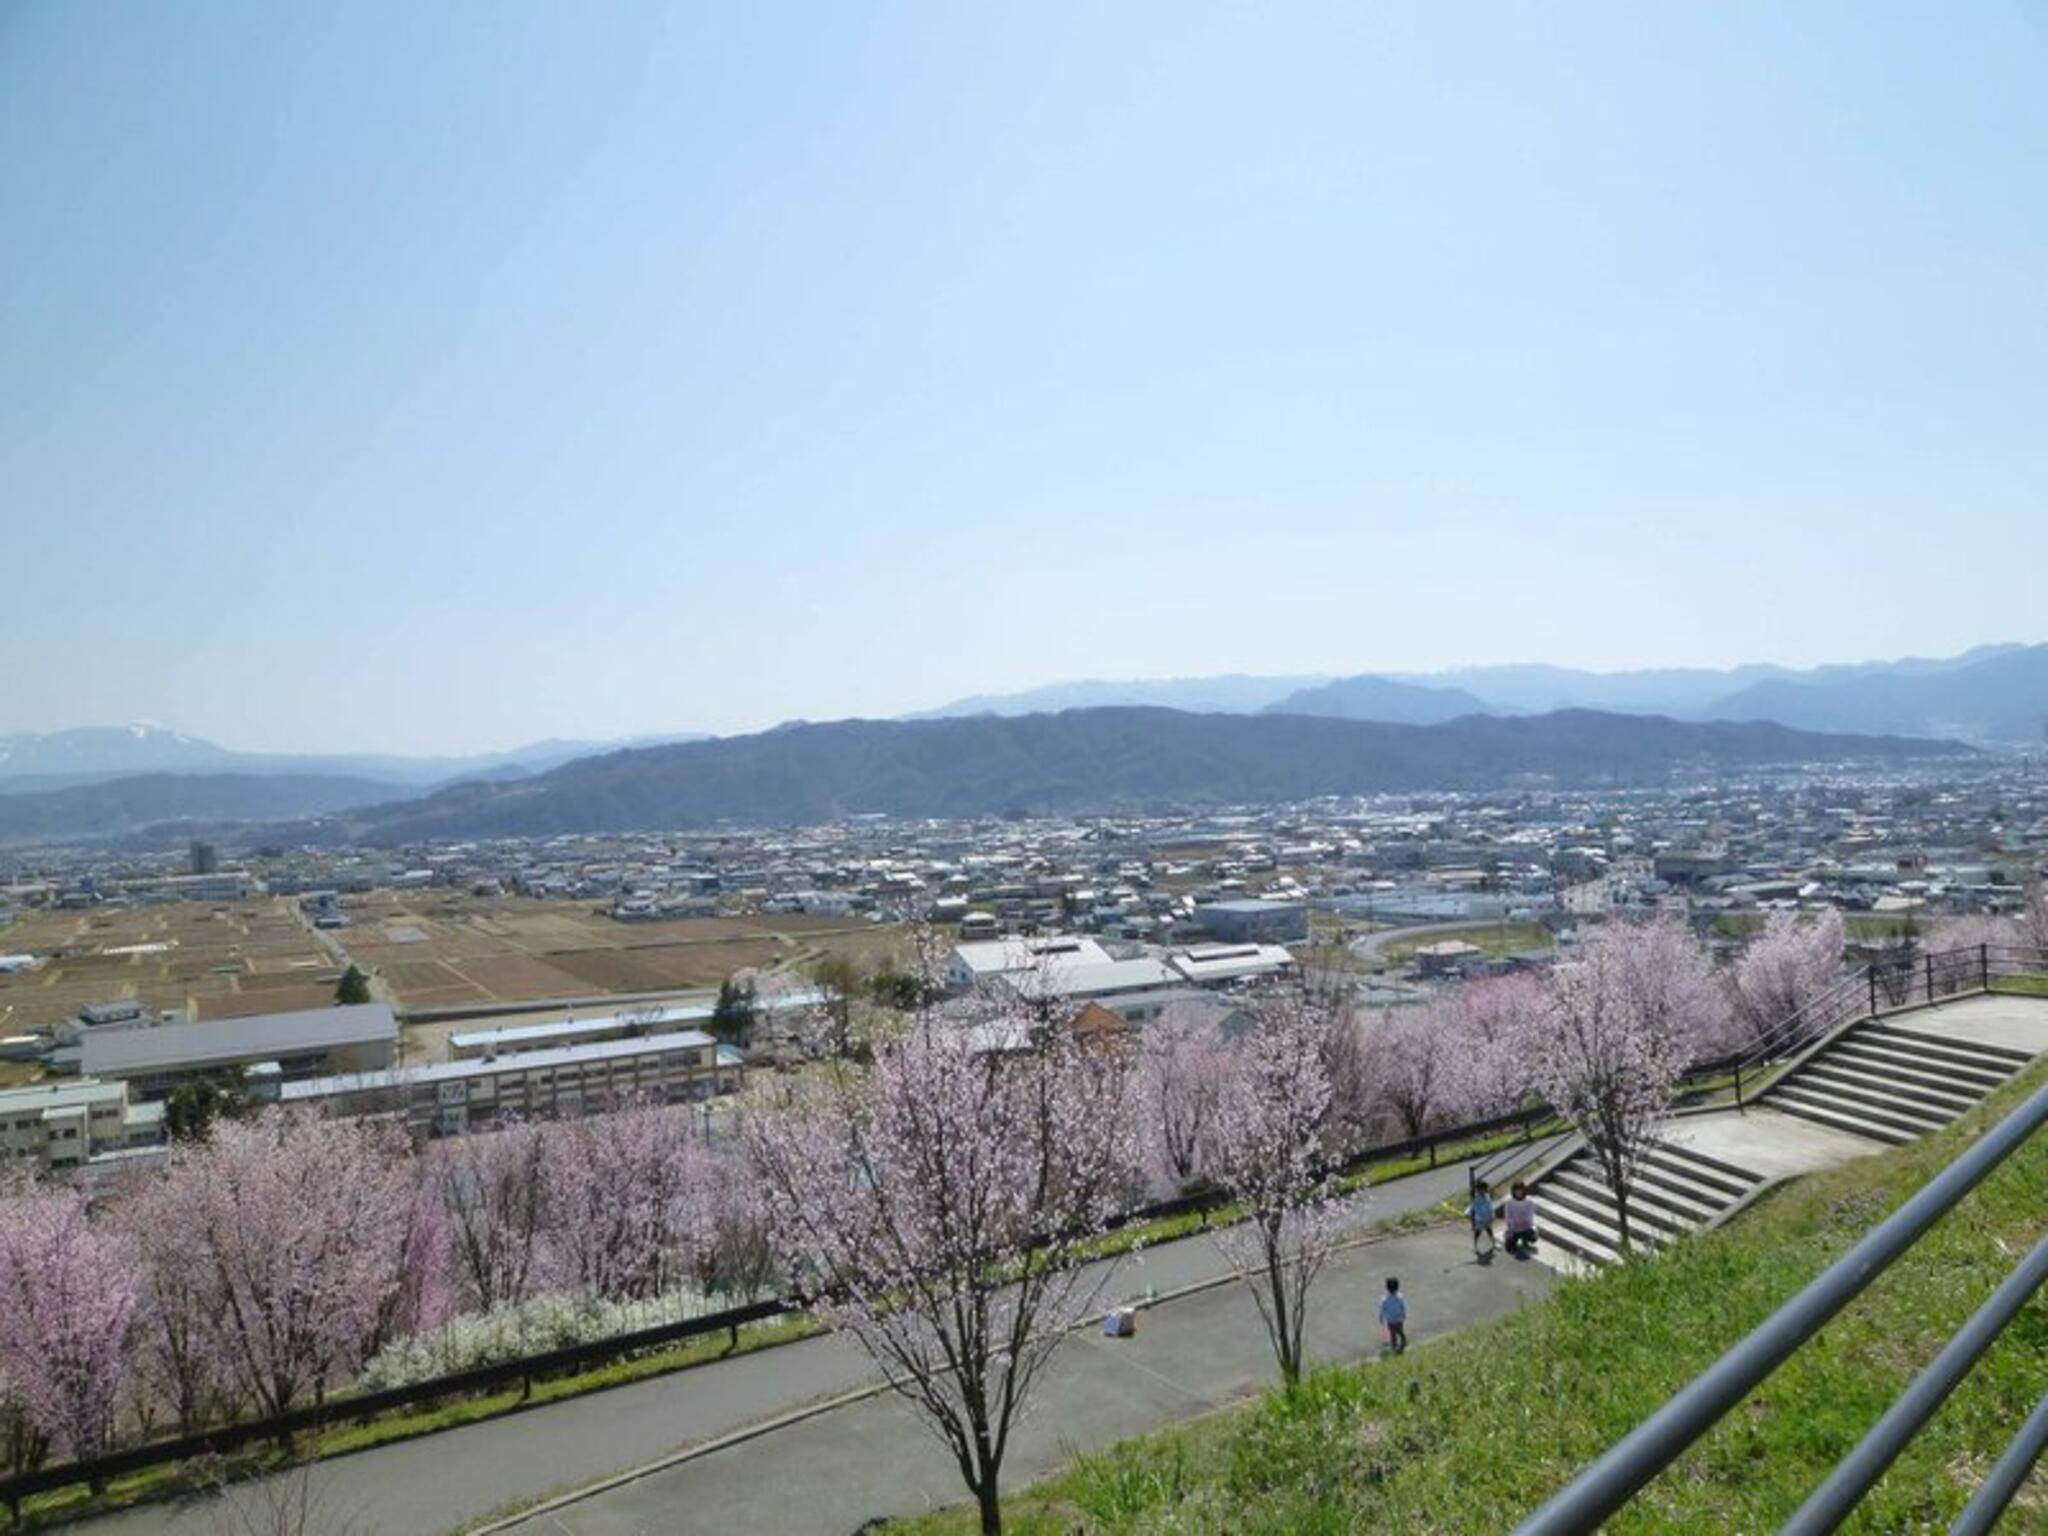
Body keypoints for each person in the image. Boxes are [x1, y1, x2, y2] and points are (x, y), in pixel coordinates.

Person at [1503, 1181, 1539, 1257]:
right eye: (1517, 1190)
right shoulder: (1509, 1201)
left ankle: (1525, 1241)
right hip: (1514, 1227)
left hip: (1525, 1225)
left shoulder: (1529, 1201)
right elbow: (1507, 1215)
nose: (1519, 1192)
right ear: (1513, 1191)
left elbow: (1530, 1215)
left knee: (1531, 1234)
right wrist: (1510, 1226)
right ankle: (1513, 1241)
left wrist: (1526, 1222)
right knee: (1509, 1246)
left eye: (1521, 1190)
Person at [1466, 1179, 1497, 1261]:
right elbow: (1472, 1210)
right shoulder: (1476, 1199)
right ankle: (1475, 1246)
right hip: (1479, 1219)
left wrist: (1492, 1215)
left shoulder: (1487, 1196)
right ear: (1478, 1190)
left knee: (1489, 1230)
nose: (1483, 1191)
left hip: (1487, 1217)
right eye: (1481, 1190)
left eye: (1484, 1189)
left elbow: (1490, 1206)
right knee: (1478, 1233)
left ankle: (1493, 1244)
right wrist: (1473, 1222)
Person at [1379, 1276, 1408, 1354]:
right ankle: (1404, 1340)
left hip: (1391, 1319)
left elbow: (1382, 1309)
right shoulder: (1400, 1296)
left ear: (1387, 1287)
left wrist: (1381, 1317)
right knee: (1400, 1330)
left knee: (1393, 1333)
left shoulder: (1384, 1299)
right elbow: (1403, 1306)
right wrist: (1404, 1314)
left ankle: (1394, 1345)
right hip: (1399, 1318)